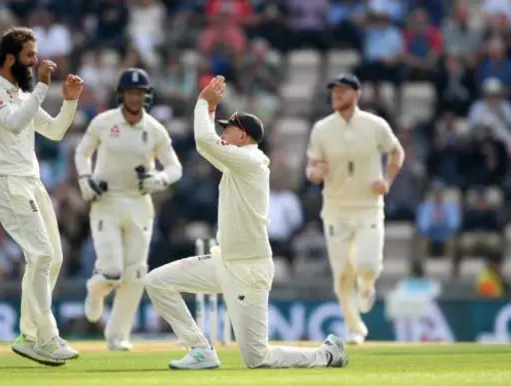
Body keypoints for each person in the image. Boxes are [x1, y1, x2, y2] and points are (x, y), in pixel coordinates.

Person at [144, 76, 348, 370]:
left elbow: (204, 141)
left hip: (249, 269)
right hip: (223, 261)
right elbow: (208, 145)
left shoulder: (250, 161)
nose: (223, 133)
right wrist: (211, 111)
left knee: (256, 358)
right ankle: (200, 350)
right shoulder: (236, 162)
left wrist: (203, 102)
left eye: (228, 129)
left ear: (243, 136)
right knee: (157, 282)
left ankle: (327, 355)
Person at [0, 27, 84, 366]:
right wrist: (43, 87)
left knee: (53, 258)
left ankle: (28, 335)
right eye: (30, 56)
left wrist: (69, 101)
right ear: (10, 58)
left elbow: (54, 130)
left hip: (31, 181)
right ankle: (47, 337)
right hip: (7, 181)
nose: (36, 61)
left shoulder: (23, 93)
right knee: (41, 255)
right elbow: (16, 123)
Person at [74, 67, 183, 351]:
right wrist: (85, 179)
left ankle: (117, 336)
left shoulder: (154, 129)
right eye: (130, 92)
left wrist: (158, 179)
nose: (135, 98)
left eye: (140, 93)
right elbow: (81, 152)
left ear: (146, 96)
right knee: (111, 272)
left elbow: (175, 168)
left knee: (135, 275)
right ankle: (95, 290)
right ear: (121, 95)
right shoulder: (103, 122)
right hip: (106, 203)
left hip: (138, 204)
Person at [306, 74, 405, 345]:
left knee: (367, 264)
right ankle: (355, 328)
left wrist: (387, 181)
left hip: (368, 207)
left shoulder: (375, 125)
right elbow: (312, 166)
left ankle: (368, 285)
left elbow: (397, 153)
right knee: (341, 274)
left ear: (357, 94)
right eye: (334, 91)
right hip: (336, 209)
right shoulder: (322, 129)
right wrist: (316, 172)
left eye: (342, 91)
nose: (336, 95)